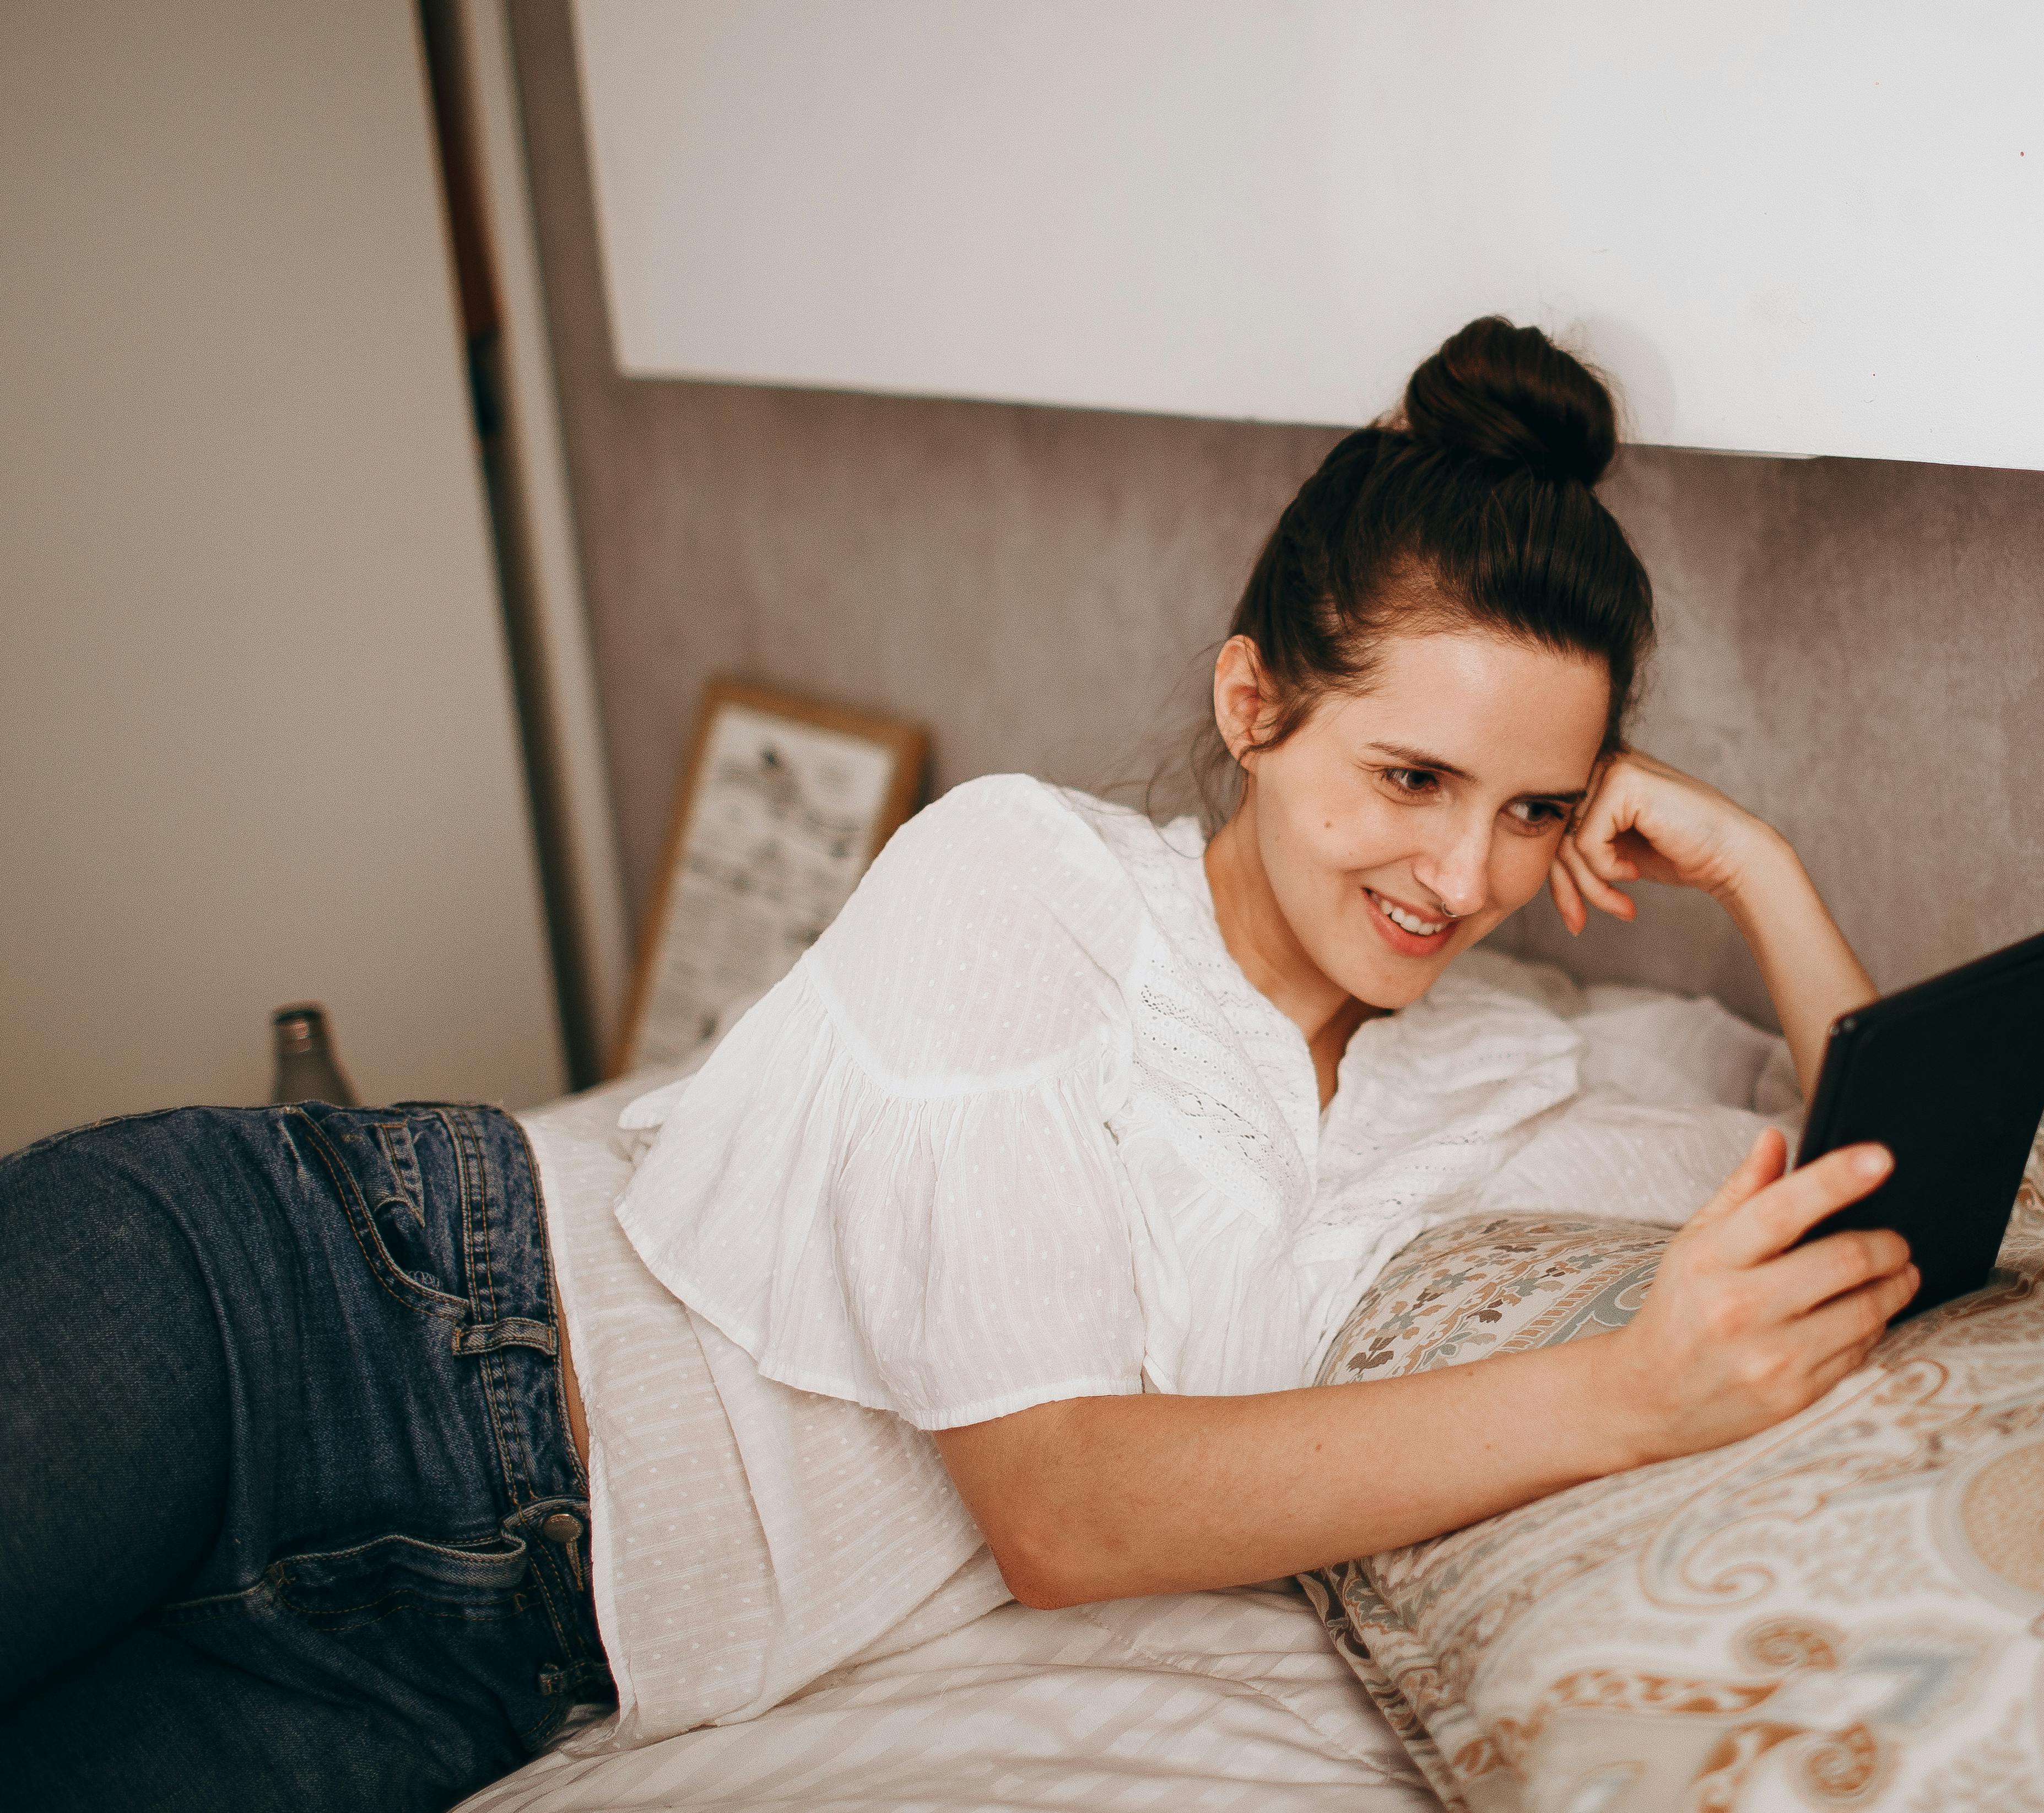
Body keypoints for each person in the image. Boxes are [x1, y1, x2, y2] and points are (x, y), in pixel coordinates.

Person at [0, 317, 1916, 1811]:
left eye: (1535, 812)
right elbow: (1064, 1509)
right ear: (1252, 702)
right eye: (1408, 777)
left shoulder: (1520, 1074)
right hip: (332, 1315)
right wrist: (1629, 1394)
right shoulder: (1023, 875)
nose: (1459, 874)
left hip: (496, 1655)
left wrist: (1761, 871)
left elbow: (1949, 1191)